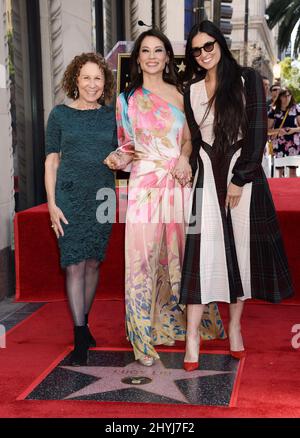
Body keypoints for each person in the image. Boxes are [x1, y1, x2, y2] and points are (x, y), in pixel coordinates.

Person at [104, 29, 225, 367]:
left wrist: (185, 158)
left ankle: (184, 325)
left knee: (181, 255)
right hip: (143, 184)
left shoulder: (180, 94)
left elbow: (188, 141)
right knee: (140, 258)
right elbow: (127, 146)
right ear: (138, 58)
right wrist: (118, 158)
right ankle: (143, 336)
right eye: (146, 50)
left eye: (159, 50)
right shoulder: (125, 99)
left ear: (168, 57)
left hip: (177, 181)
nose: (153, 56)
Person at [179, 21, 294, 371]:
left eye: (209, 46)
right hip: (204, 176)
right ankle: (193, 337)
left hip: (240, 176)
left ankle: (234, 326)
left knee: (240, 253)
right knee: (200, 255)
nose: (203, 54)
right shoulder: (191, 88)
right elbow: (195, 139)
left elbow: (257, 132)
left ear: (221, 43)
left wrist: (241, 179)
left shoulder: (246, 79)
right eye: (196, 50)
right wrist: (186, 161)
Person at [45, 53, 117, 366]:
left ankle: (83, 322)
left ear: (105, 83)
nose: (91, 84)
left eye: (97, 78)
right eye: (86, 77)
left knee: (93, 263)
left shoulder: (112, 116)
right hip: (69, 196)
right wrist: (51, 204)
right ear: (76, 79)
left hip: (103, 195)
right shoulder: (59, 115)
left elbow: (123, 154)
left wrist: (121, 159)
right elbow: (51, 160)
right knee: (74, 263)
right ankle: (79, 336)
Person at [268, 88, 300, 177]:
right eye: (284, 96)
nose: (287, 98)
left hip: (293, 143)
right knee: (279, 170)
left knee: (293, 171)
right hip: (278, 143)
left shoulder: (296, 108)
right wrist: (278, 131)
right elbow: (267, 130)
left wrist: (293, 130)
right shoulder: (274, 110)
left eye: (289, 95)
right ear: (280, 97)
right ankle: (278, 190)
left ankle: (293, 190)